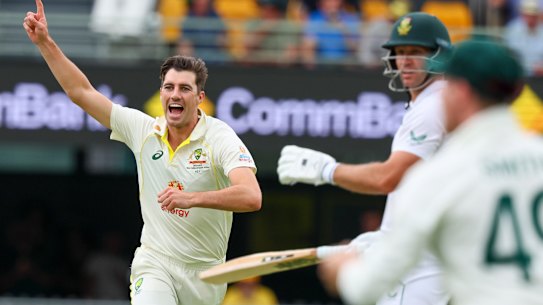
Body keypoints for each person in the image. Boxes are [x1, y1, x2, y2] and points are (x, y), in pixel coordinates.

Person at [23, 1, 262, 305]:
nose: (175, 94)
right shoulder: (143, 130)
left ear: (199, 97)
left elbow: (251, 196)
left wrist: (192, 197)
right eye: (169, 87)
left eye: (185, 89)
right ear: (161, 92)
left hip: (205, 275)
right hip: (155, 262)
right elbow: (80, 92)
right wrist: (46, 43)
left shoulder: (220, 137)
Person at [318, 37, 543, 305]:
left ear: (461, 92)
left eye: (446, 85)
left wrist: (343, 266)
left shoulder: (438, 175)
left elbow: (365, 288)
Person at [277, 12, 451, 305]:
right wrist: (386, 234)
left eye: (416, 53)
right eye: (400, 53)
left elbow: (387, 178)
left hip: (424, 260)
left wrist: (327, 171)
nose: (405, 61)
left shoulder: (432, 107)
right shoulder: (430, 103)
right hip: (423, 250)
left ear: (438, 55)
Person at [504, 0, 543, 76]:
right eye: (528, 15)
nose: (531, 18)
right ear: (522, 14)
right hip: (518, 75)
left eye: (533, 15)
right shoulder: (512, 30)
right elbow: (510, 55)